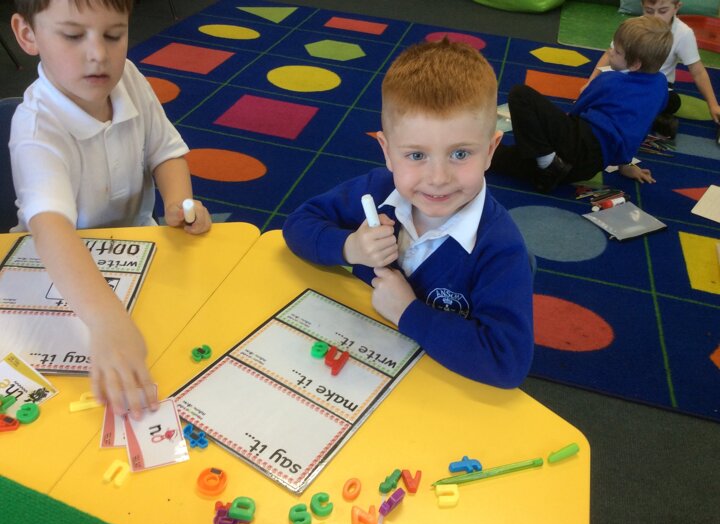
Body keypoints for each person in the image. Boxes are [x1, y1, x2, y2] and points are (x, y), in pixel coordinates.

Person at [283, 39, 534, 389]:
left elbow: (506, 361)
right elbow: (297, 224)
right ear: (387, 152)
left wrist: (407, 312)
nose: (438, 178)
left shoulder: (499, 247)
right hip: (359, 366)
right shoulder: (377, 189)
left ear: (490, 150)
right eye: (416, 156)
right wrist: (350, 247)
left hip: (437, 388)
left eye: (460, 154)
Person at [9, 0, 212, 417]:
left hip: (137, 251)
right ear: (28, 35)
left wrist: (179, 202)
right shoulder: (35, 128)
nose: (98, 54)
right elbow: (51, 230)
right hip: (58, 271)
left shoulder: (129, 78)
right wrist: (106, 320)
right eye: (73, 35)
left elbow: (165, 152)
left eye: (114, 35)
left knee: (177, 350)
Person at [490, 16, 672, 193]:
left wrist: (559, 126)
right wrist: (625, 166)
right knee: (501, 157)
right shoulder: (661, 85)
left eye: (617, 51)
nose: (610, 52)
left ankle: (549, 164)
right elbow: (639, 127)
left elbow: (579, 108)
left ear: (635, 64)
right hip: (588, 167)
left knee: (520, 95)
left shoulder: (610, 80)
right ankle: (548, 168)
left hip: (578, 142)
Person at [586, 0, 720, 138]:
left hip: (658, 85)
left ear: (676, 7)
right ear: (642, 7)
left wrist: (713, 105)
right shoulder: (634, 26)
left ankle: (629, 112)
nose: (655, 17)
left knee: (672, 101)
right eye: (649, 11)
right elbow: (610, 54)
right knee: (607, 86)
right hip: (626, 78)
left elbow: (698, 71)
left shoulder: (683, 33)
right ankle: (645, 116)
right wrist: (592, 80)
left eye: (663, 11)